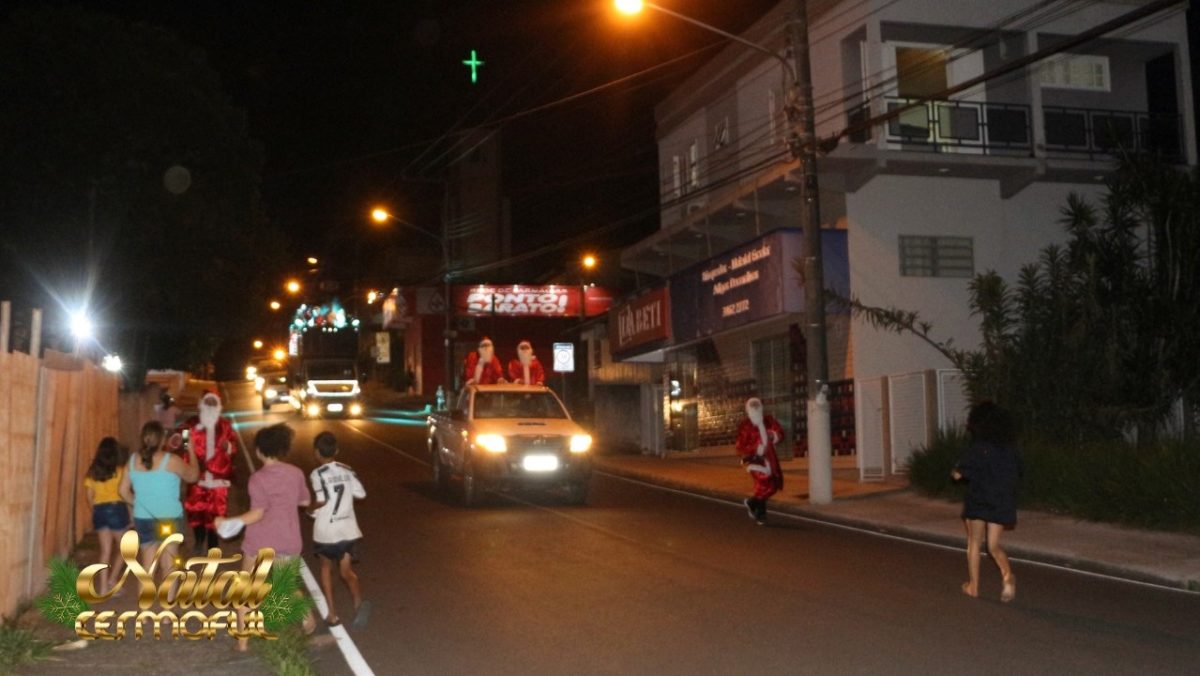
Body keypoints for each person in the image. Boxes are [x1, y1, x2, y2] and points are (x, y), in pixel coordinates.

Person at [216, 423, 315, 651]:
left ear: (259, 450)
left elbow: (257, 513)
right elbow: (305, 501)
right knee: (287, 586)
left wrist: (229, 521)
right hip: (288, 538)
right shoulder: (295, 473)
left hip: (260, 542)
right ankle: (308, 622)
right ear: (282, 449)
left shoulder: (258, 479)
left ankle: (242, 643)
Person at [952, 401, 1022, 602]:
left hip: (978, 500)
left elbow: (960, 473)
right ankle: (1007, 576)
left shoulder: (978, 448)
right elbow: (1019, 471)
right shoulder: (1010, 449)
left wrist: (956, 471)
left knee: (974, 542)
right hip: (1000, 500)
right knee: (993, 546)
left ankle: (973, 586)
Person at [119, 421, 199, 581]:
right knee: (169, 566)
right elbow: (193, 476)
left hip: (143, 518)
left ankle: (144, 605)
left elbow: (122, 490)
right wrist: (191, 450)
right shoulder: (172, 460)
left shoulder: (133, 460)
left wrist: (138, 503)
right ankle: (167, 604)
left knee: (147, 568)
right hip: (169, 518)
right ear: (162, 440)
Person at [307, 431, 369, 628]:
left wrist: (310, 510)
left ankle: (332, 614)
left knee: (326, 568)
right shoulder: (347, 470)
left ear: (316, 452)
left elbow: (321, 500)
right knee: (346, 571)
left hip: (326, 530)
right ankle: (359, 603)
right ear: (337, 450)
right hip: (347, 529)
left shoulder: (317, 474)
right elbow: (361, 493)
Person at [179, 390, 239, 554]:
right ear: (202, 405)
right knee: (195, 510)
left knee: (217, 513)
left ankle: (213, 545)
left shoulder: (225, 425)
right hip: (197, 476)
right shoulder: (190, 424)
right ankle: (199, 540)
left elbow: (233, 446)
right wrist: (185, 445)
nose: (210, 407)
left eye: (214, 404)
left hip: (219, 478)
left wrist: (229, 448)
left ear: (218, 406)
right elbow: (181, 440)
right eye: (208, 403)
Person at [84, 437, 131, 595]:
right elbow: (124, 493)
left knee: (105, 551)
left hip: (99, 510)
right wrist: (131, 515)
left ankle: (103, 588)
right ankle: (112, 580)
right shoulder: (121, 470)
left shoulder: (93, 472)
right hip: (116, 509)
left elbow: (89, 495)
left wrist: (95, 511)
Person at [735, 397, 784, 525]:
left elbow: (780, 433)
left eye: (757, 406)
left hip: (770, 458)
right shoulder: (746, 426)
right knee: (765, 482)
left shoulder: (768, 421)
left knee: (770, 485)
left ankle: (756, 508)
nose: (755, 409)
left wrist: (773, 435)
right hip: (754, 460)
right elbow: (740, 446)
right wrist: (755, 449)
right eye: (753, 407)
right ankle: (756, 508)